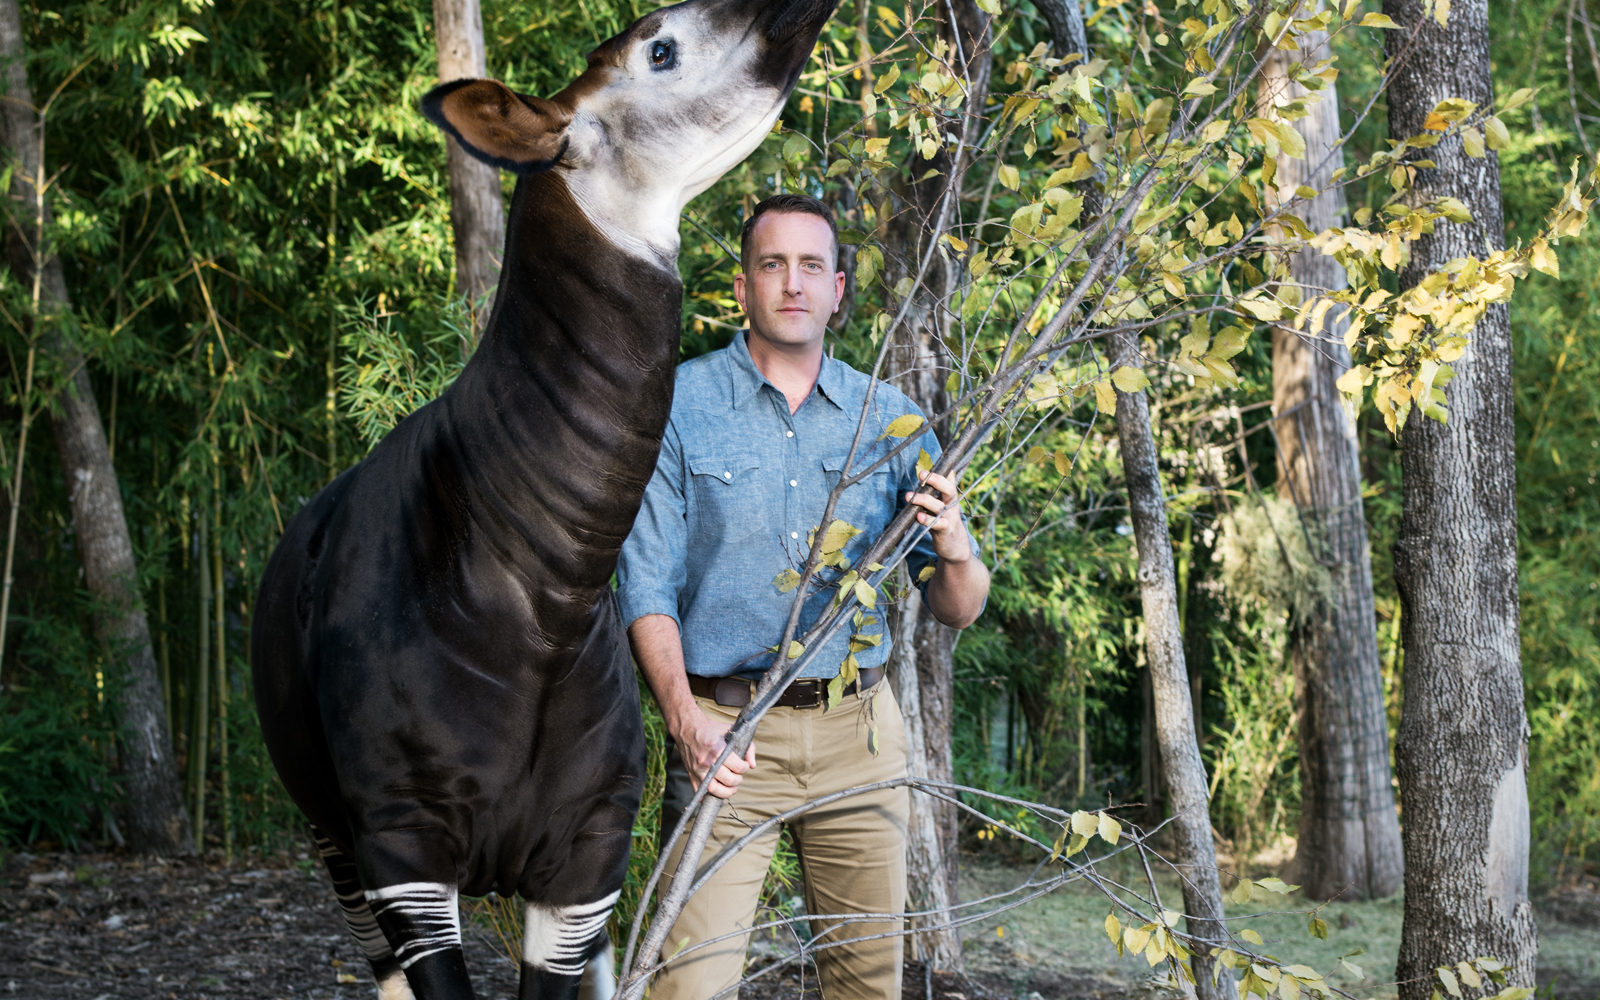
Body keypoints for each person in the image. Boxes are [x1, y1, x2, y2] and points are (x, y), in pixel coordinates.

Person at [617, 193, 990, 1000]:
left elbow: (957, 605)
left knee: (866, 988)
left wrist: (955, 541)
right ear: (744, 288)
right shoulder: (677, 408)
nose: (793, 283)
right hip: (725, 736)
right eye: (772, 264)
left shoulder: (887, 420)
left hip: (859, 734)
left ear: (839, 290)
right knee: (686, 987)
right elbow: (645, 582)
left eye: (811, 266)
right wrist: (686, 719)